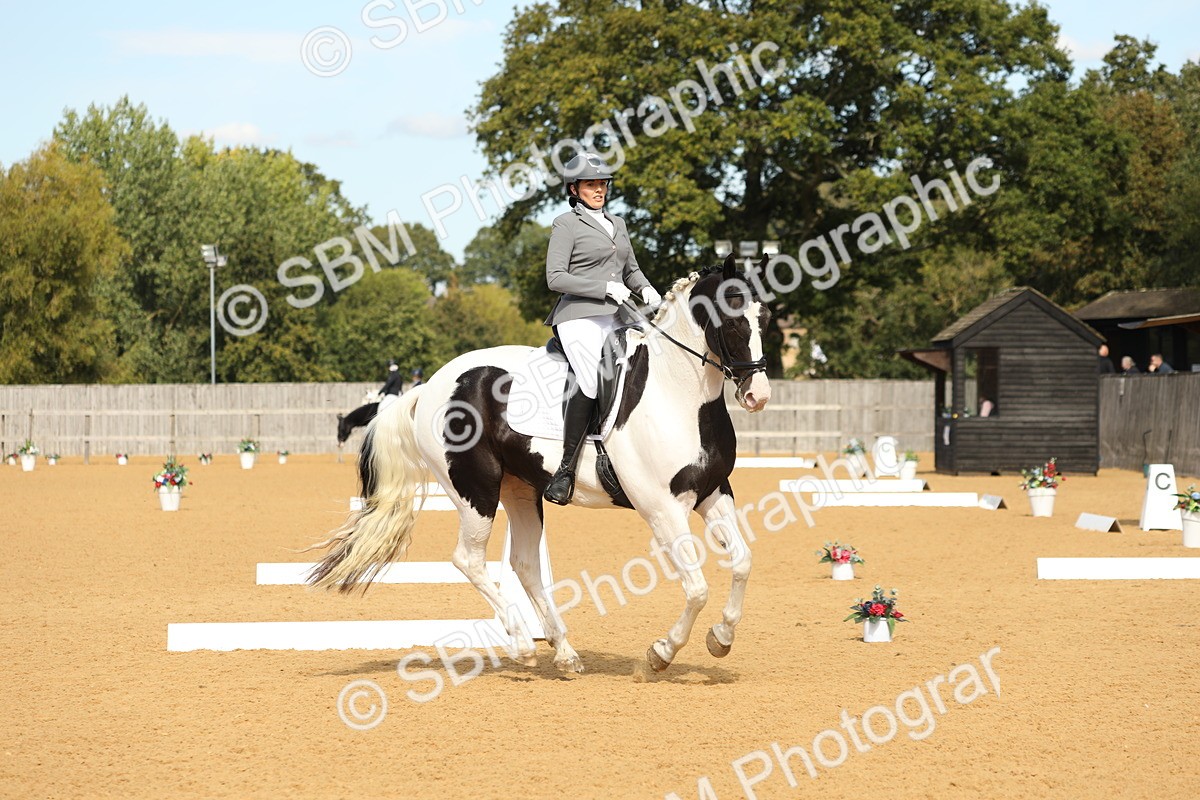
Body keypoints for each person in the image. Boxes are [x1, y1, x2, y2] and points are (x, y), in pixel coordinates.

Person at [541, 153, 661, 505]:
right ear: (575, 189)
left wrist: (647, 288)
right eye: (592, 184)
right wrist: (604, 288)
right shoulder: (566, 223)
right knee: (592, 379)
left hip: (620, 314)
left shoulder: (618, 223)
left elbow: (631, 269)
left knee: (651, 367)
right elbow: (555, 277)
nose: (599, 190)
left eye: (602, 184)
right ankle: (566, 469)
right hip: (579, 315)